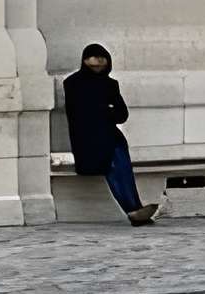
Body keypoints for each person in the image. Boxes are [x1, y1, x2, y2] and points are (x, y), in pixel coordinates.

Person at [62, 43, 157, 225]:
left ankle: (134, 208)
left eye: (101, 58)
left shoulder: (110, 84)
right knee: (114, 166)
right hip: (87, 140)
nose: (98, 62)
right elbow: (79, 115)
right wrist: (105, 110)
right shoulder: (73, 83)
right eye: (93, 57)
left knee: (121, 167)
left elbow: (122, 114)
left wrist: (102, 111)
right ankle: (133, 209)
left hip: (110, 137)